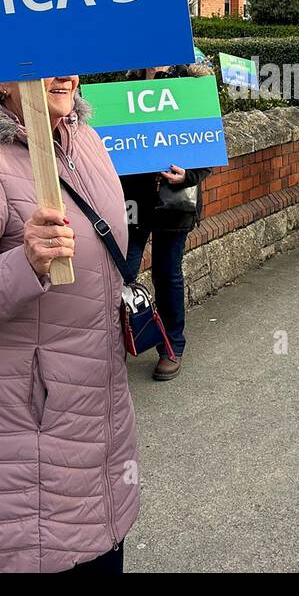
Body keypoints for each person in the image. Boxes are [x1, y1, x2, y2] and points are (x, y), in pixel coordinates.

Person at [0, 77, 137, 573]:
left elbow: (106, 248)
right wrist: (24, 265)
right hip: (19, 442)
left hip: (94, 419)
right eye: (45, 60)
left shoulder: (87, 141)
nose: (66, 75)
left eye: (69, 56)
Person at [117, 63, 214, 381]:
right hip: (131, 200)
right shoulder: (125, 83)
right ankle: (117, 346)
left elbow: (208, 142)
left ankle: (172, 346)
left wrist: (190, 175)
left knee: (166, 273)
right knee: (122, 273)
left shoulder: (189, 82)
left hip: (173, 201)